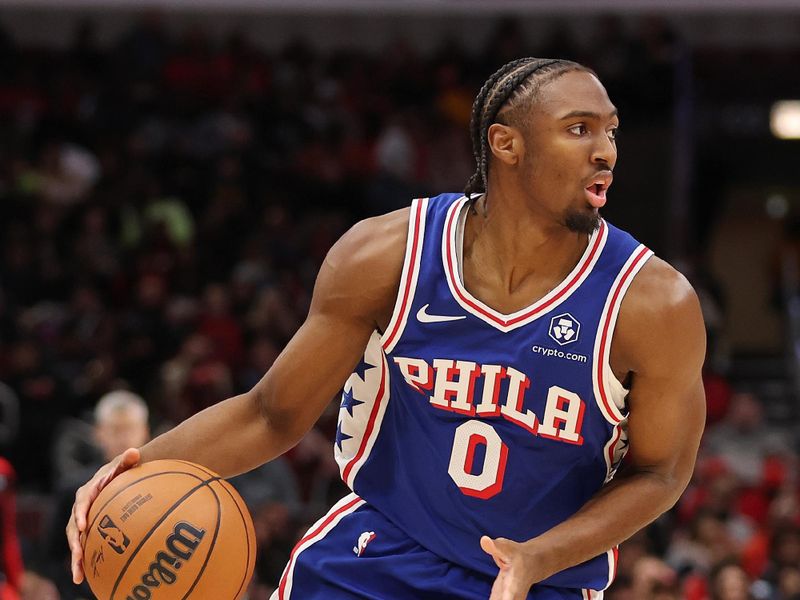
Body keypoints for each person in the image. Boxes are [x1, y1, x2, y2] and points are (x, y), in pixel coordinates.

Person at [66, 57, 706, 600]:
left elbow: (660, 471)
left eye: (611, 132)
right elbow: (272, 415)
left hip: (537, 582)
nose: (606, 151)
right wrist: (134, 469)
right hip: (372, 559)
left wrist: (539, 556)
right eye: (579, 129)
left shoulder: (652, 302)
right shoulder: (387, 255)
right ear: (506, 144)